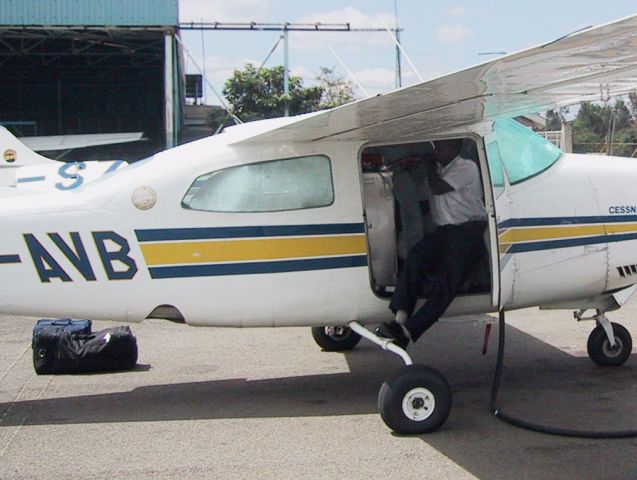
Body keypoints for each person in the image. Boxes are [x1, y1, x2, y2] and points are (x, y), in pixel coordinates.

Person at [376, 139, 487, 348]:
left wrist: (426, 164)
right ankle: (400, 317)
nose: (437, 152)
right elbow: (428, 201)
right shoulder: (438, 170)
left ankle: (410, 331)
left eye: (441, 148)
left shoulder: (466, 167)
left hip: (468, 232)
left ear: (455, 148)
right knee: (417, 257)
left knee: (447, 282)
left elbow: (437, 189)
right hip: (445, 232)